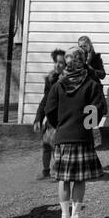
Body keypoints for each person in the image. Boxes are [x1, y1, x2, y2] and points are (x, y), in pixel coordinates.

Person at [44, 47, 108, 218]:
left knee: (63, 179)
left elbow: (50, 111)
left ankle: (64, 217)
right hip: (82, 136)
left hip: (63, 136)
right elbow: (98, 109)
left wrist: (61, 125)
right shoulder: (91, 84)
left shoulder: (58, 85)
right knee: (79, 179)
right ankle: (76, 217)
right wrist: (87, 126)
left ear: (67, 62)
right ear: (82, 61)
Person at [33, 48, 67, 179]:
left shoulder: (68, 80)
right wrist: (38, 119)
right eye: (56, 62)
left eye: (61, 63)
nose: (57, 65)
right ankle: (46, 171)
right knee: (46, 146)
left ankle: (57, 171)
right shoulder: (50, 79)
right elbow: (45, 100)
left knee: (57, 147)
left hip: (62, 120)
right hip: (50, 119)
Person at [77, 35, 107, 149]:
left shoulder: (96, 58)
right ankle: (86, 140)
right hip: (82, 89)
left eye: (85, 45)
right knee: (82, 113)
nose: (82, 48)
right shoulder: (77, 58)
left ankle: (93, 137)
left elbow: (103, 74)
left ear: (89, 45)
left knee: (96, 112)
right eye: (80, 46)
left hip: (94, 89)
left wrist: (91, 68)